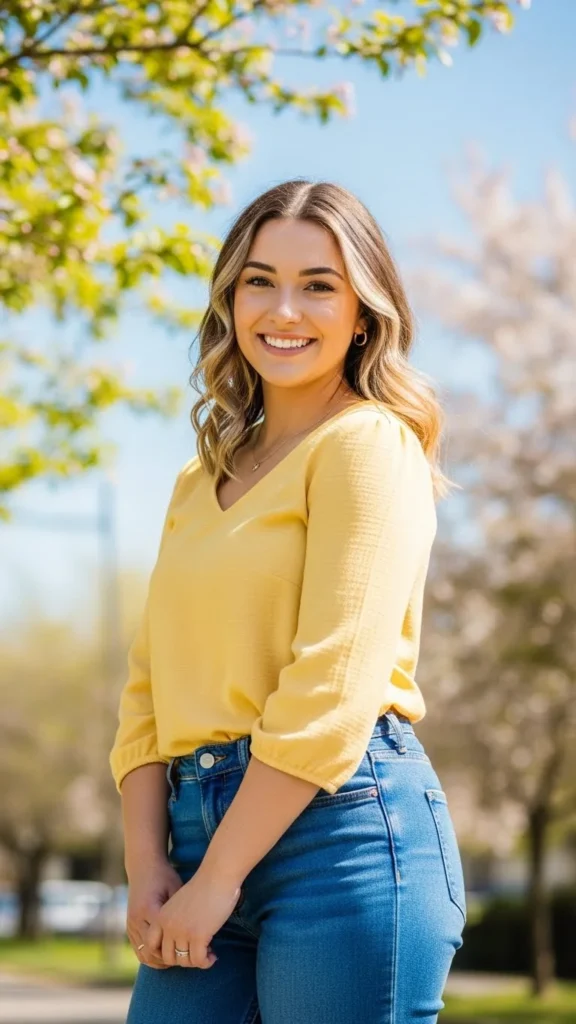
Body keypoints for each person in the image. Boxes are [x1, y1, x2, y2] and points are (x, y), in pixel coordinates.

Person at [109, 179, 467, 1024]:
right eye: (260, 281)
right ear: (231, 299)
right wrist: (147, 861)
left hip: (341, 837)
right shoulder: (199, 480)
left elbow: (332, 688)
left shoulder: (369, 443)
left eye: (319, 286)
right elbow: (149, 686)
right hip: (196, 836)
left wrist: (221, 878)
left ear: (363, 313)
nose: (284, 310)